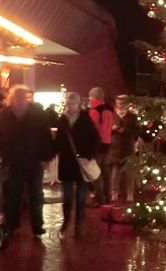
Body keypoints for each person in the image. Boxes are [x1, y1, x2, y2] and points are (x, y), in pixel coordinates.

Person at [0, 84, 54, 237]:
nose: (20, 100)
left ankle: (37, 225)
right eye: (17, 97)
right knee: (12, 195)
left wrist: (45, 157)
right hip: (12, 162)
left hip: (33, 161)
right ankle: (12, 223)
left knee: (36, 195)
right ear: (11, 98)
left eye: (22, 97)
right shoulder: (3, 115)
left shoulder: (38, 114)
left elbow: (46, 137)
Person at [54, 92, 99, 238]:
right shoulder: (62, 120)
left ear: (79, 104)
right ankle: (66, 223)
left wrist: (88, 155)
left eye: (73, 103)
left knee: (80, 197)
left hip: (81, 163)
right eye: (68, 103)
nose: (70, 106)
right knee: (67, 197)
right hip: (67, 162)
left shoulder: (85, 119)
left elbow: (95, 140)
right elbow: (59, 141)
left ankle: (78, 225)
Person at [108, 95, 139, 203]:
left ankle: (130, 194)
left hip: (127, 145)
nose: (120, 105)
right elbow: (106, 129)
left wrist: (125, 130)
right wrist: (112, 129)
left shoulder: (132, 116)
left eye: (122, 103)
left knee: (129, 172)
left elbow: (136, 131)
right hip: (115, 145)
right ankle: (114, 193)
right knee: (115, 171)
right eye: (118, 102)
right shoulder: (112, 115)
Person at [87, 87, 114, 204]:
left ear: (92, 97)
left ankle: (99, 199)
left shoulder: (95, 110)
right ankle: (108, 198)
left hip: (97, 145)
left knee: (96, 173)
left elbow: (92, 129)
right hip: (107, 143)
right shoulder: (109, 110)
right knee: (106, 173)